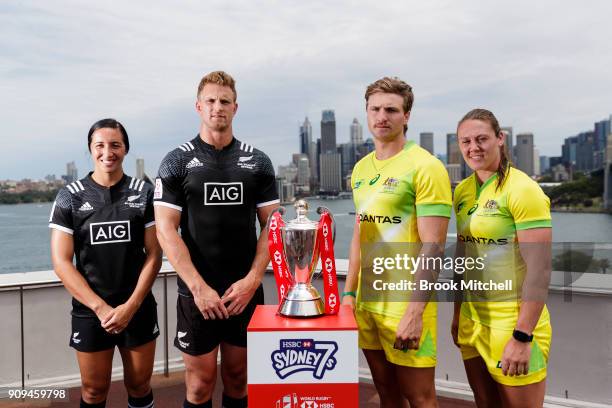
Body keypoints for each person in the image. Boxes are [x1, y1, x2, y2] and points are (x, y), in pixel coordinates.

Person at [154, 71, 279, 408]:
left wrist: (252, 281)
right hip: (197, 293)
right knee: (199, 385)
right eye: (210, 101)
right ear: (198, 106)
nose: (217, 107)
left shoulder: (259, 162)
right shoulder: (177, 161)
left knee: (238, 381)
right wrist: (198, 288)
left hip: (244, 291)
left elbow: (273, 227)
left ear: (235, 108)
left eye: (224, 101)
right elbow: (166, 230)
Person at [342, 77, 452, 408]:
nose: (382, 116)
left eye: (391, 109)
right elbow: (361, 234)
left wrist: (415, 311)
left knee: (419, 398)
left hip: (406, 304)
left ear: (406, 116)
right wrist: (349, 294)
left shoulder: (426, 167)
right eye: (375, 109)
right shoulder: (361, 169)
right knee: (387, 396)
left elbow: (433, 246)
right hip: (368, 303)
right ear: (366, 113)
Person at [49, 118, 162, 408]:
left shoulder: (144, 193)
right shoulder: (70, 197)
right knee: (93, 390)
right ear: (90, 149)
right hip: (90, 311)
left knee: (139, 385)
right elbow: (62, 263)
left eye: (115, 145)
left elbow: (154, 254)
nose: (107, 152)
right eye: (100, 145)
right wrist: (100, 308)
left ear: (125, 149)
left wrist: (130, 306)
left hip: (136, 307)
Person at [452, 108, 552, 408]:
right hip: (473, 322)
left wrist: (522, 336)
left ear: (500, 138)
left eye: (482, 139)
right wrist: (457, 313)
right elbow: (463, 256)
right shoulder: (463, 191)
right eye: (465, 141)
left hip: (513, 325)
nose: (474, 148)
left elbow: (540, 269)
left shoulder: (523, 190)